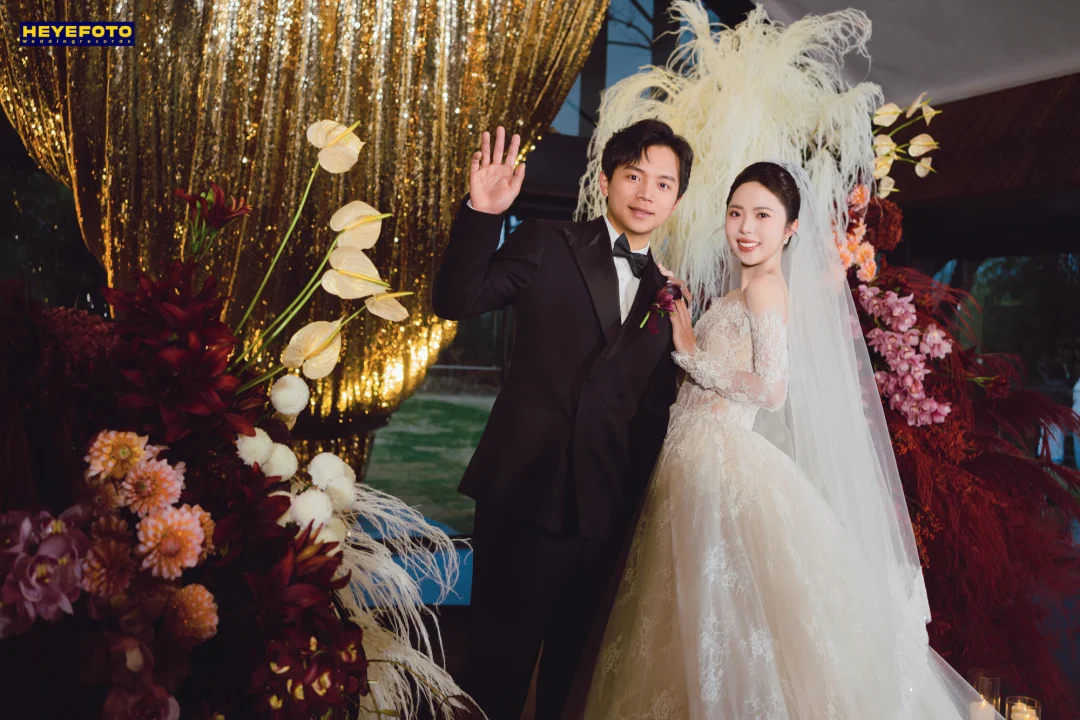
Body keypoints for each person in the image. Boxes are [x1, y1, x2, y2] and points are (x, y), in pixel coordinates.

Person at [579, 161, 1004, 719]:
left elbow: (772, 389)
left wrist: (691, 354)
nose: (745, 228)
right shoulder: (742, 291)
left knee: (723, 620)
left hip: (719, 459)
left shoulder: (766, 290)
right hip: (692, 456)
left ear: (790, 228)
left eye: (762, 216)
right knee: (695, 619)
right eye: (736, 213)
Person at [431, 119, 693, 719]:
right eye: (633, 176)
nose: (647, 193)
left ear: (676, 199)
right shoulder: (547, 241)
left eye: (663, 183)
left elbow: (651, 415)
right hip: (526, 491)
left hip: (605, 514)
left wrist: (640, 520)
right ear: (605, 181)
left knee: (574, 682)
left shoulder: (669, 295)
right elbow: (455, 300)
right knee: (495, 670)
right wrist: (483, 214)